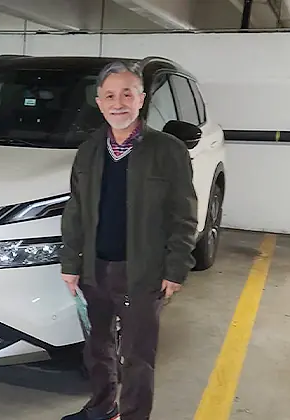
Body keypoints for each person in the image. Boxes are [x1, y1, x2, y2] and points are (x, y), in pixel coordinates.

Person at [59, 61, 198, 420]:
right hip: (94, 270)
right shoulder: (89, 150)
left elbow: (183, 215)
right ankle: (102, 408)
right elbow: (75, 211)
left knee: (137, 356)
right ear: (99, 102)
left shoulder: (167, 150)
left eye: (126, 94)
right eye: (109, 96)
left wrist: (176, 268)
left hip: (142, 272)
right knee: (97, 348)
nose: (117, 103)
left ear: (141, 99)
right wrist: (71, 264)